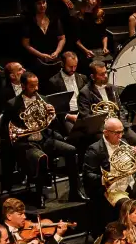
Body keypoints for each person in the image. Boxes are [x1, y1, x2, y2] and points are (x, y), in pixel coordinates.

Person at [7, 73, 82, 203]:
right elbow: (6, 130)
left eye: (37, 85)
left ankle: (74, 192)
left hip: (45, 139)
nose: (36, 88)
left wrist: (53, 116)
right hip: (27, 143)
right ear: (23, 86)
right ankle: (39, 195)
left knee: (71, 150)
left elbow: (53, 126)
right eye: (32, 86)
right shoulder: (13, 104)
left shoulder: (44, 99)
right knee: (41, 158)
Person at [80, 115, 136, 222]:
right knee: (131, 207)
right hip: (111, 190)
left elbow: (133, 165)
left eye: (122, 132)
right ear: (106, 133)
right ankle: (134, 234)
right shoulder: (94, 149)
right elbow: (88, 175)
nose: (120, 136)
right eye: (117, 133)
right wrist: (106, 179)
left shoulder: (123, 143)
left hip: (129, 184)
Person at [21, 0, 66, 76]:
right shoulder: (29, 21)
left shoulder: (54, 18)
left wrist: (56, 52)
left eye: (44, 2)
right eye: (39, 3)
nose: (42, 6)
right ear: (34, 5)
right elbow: (26, 44)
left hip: (53, 55)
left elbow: (62, 38)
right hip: (36, 56)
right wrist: (41, 55)